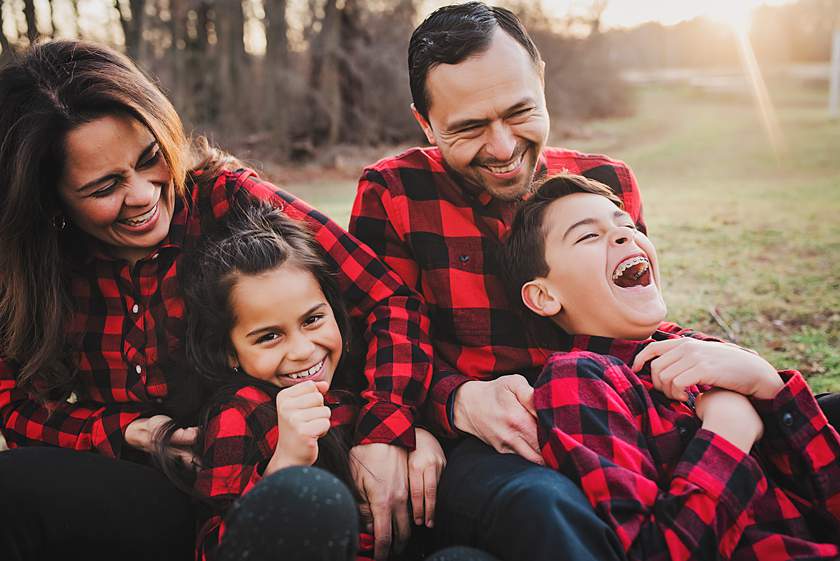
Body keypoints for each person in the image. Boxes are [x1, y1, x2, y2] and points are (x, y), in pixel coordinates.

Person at [0, 40, 435, 561]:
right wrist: (127, 432)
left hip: (271, 475)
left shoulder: (229, 199)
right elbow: (15, 404)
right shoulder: (36, 266)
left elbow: (388, 299)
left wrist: (384, 431)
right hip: (146, 491)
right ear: (52, 201)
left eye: (150, 158)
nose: (143, 195)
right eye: (105, 187)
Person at [350, 3, 638, 559]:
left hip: (603, 414)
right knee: (543, 504)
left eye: (519, 112)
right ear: (426, 124)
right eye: (469, 128)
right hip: (481, 451)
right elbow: (375, 344)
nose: (503, 148)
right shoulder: (394, 194)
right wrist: (453, 400)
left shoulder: (606, 183)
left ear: (542, 83)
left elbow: (635, 324)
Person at [499, 173, 840, 560]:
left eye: (625, 226)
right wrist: (728, 431)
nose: (625, 236)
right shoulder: (579, 378)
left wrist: (767, 385)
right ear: (544, 296)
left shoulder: (697, 347)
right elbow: (656, 553)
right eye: (587, 236)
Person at [154, 200, 491, 561]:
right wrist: (286, 462)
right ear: (229, 352)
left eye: (313, 320)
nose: (302, 350)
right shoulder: (240, 414)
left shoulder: (359, 384)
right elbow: (215, 549)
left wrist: (418, 437)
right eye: (269, 336)